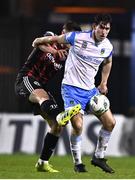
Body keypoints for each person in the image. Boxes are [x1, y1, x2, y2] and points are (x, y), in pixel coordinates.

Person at [32, 13, 116, 174]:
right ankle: (78, 164)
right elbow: (55, 39)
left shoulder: (108, 46)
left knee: (110, 123)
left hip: (91, 90)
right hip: (71, 89)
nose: (104, 32)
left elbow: (108, 61)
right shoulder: (77, 37)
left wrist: (104, 82)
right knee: (77, 126)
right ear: (94, 27)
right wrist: (39, 41)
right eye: (101, 28)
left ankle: (98, 157)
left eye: (107, 28)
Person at [15, 21, 82, 173]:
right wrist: (53, 51)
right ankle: (60, 115)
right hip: (27, 78)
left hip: (41, 86)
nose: (66, 38)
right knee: (44, 99)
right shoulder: (51, 37)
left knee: (57, 126)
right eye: (66, 34)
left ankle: (43, 162)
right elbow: (38, 44)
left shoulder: (69, 53)